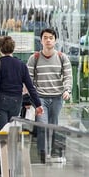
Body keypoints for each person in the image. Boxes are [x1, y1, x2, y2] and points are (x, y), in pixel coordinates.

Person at [27, 28, 72, 162]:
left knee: (54, 125)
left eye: (51, 38)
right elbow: (28, 79)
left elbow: (68, 76)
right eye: (45, 37)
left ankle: (52, 152)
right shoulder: (34, 58)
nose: (48, 40)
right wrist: (32, 95)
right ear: (41, 40)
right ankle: (42, 154)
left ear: (55, 40)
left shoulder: (62, 57)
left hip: (57, 97)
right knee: (42, 125)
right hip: (40, 98)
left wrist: (67, 90)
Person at [0, 36, 43, 130]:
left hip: (2, 100)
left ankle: (4, 144)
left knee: (3, 130)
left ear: (0, 48)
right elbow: (30, 86)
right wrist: (38, 104)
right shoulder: (21, 64)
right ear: (13, 48)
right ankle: (13, 144)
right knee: (14, 129)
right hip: (17, 100)